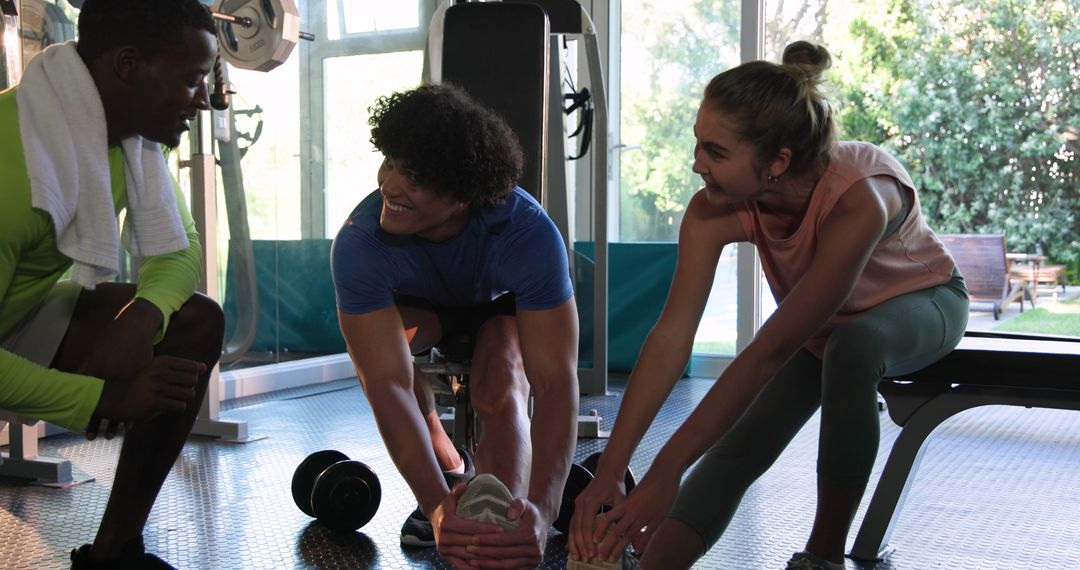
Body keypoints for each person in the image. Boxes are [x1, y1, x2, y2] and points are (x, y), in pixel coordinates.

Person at [567, 41, 969, 570]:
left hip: (922, 306)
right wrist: (614, 468)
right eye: (698, 144)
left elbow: (769, 350)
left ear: (777, 161)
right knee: (736, 448)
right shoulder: (713, 211)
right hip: (821, 332)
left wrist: (664, 471)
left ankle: (823, 555)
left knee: (854, 345)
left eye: (715, 151)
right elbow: (671, 337)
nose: (695, 164)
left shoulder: (858, 199)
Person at [0, 0, 225, 568]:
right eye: (192, 79)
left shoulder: (129, 142)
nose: (204, 99)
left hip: (13, 313)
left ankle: (114, 553)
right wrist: (102, 398)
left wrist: (142, 318)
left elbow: (181, 246)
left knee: (194, 320)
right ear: (129, 64)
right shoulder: (12, 168)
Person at [331, 83, 580, 569]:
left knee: (502, 379)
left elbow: (553, 384)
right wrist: (436, 507)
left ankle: (502, 509)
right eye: (390, 163)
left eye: (415, 176)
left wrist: (542, 511)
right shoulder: (361, 242)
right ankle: (449, 468)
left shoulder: (527, 233)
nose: (389, 185)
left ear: (464, 192)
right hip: (420, 312)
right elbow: (387, 384)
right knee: (394, 356)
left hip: (497, 309)